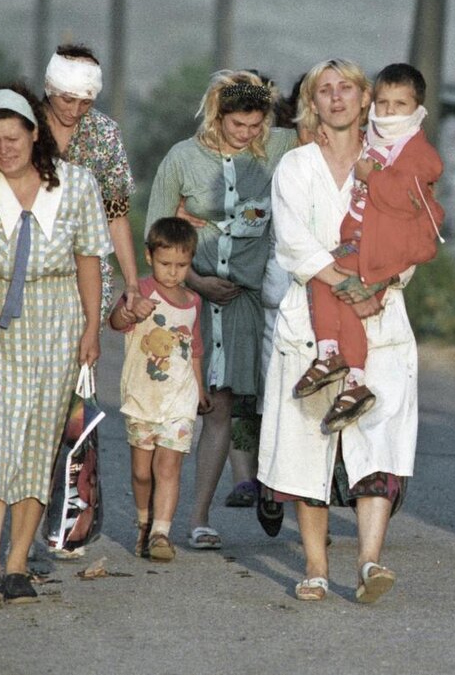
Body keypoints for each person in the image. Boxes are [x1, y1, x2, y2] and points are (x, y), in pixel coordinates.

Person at [259, 58, 419, 604]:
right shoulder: (296, 166)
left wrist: (378, 282)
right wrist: (341, 279)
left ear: (365, 97)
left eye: (345, 88)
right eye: (323, 90)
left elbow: (413, 233)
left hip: (381, 313)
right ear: (312, 103)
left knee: (377, 440)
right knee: (308, 442)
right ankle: (316, 566)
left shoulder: (393, 164)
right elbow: (292, 241)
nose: (335, 98)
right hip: (311, 318)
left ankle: (370, 561)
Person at [0, 84, 110, 606]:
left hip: (56, 318)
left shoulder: (77, 184)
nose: (4, 148)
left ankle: (18, 562)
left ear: (33, 133)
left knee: (37, 443)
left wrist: (91, 327)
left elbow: (90, 257)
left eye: (13, 136)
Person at [145, 70, 293, 550]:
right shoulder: (182, 159)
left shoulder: (279, 149)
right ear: (218, 115)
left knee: (272, 399)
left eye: (256, 126)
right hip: (196, 303)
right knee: (214, 408)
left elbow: (330, 130)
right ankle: (196, 517)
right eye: (238, 126)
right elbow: (158, 231)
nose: (248, 135)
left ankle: (278, 493)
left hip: (253, 302)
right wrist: (195, 279)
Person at [40, 43, 153, 559]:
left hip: (84, 284)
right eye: (67, 98)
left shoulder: (102, 134)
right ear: (49, 89)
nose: (74, 109)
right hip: (27, 282)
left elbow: (115, 213)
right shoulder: (24, 126)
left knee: (76, 404)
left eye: (84, 102)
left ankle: (77, 515)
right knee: (30, 408)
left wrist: (133, 282)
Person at [293, 63, 443, 434]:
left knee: (325, 277)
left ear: (418, 107)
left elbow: (407, 200)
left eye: (400, 104)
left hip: (381, 247)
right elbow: (347, 141)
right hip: (362, 239)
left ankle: (334, 359)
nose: (390, 112)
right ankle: (353, 379)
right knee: (337, 291)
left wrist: (371, 177)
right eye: (383, 102)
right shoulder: (375, 136)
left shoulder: (419, 151)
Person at [111, 217, 209, 563]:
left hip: (179, 399)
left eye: (182, 265)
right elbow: (116, 321)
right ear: (149, 256)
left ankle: (161, 532)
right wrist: (130, 311)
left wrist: (199, 386)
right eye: (166, 264)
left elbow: (194, 347)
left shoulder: (193, 301)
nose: (173, 272)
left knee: (168, 468)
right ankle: (144, 521)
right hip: (142, 397)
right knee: (142, 472)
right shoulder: (140, 291)